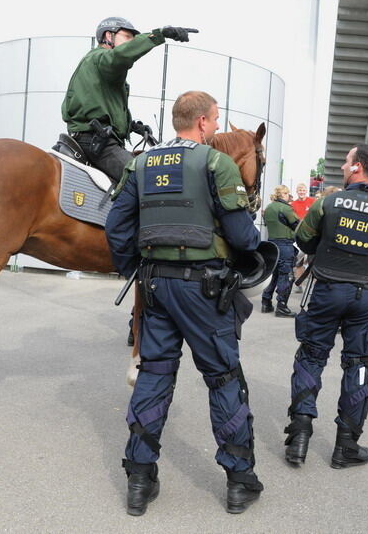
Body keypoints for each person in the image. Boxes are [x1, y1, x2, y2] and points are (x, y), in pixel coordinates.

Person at [105, 91, 263, 516]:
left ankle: (139, 479)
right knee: (225, 377)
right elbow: (245, 237)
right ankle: (239, 481)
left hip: (155, 286)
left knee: (154, 374)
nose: (215, 124)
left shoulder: (140, 164)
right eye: (214, 118)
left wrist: (131, 268)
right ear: (203, 122)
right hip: (205, 291)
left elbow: (117, 225)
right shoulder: (216, 163)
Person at [283, 143, 368, 470]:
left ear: (357, 167)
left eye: (345, 162)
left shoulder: (327, 202)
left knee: (311, 357)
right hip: (366, 297)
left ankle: (299, 436)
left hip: (327, 292)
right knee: (359, 366)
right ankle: (346, 445)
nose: (343, 167)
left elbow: (304, 240)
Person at [62, 18, 197, 183]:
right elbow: (120, 55)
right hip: (97, 143)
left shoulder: (99, 68)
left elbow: (99, 109)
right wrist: (159, 34)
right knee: (151, 179)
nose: (131, 42)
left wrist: (130, 126)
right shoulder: (101, 59)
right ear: (108, 36)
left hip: (98, 138)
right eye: (126, 36)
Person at [262, 185, 299, 317]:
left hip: (271, 244)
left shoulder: (268, 208)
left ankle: (266, 302)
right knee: (286, 275)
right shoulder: (285, 208)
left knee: (274, 274)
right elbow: (297, 225)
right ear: (281, 194)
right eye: (286, 193)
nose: (288, 195)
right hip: (285, 245)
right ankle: (281, 306)